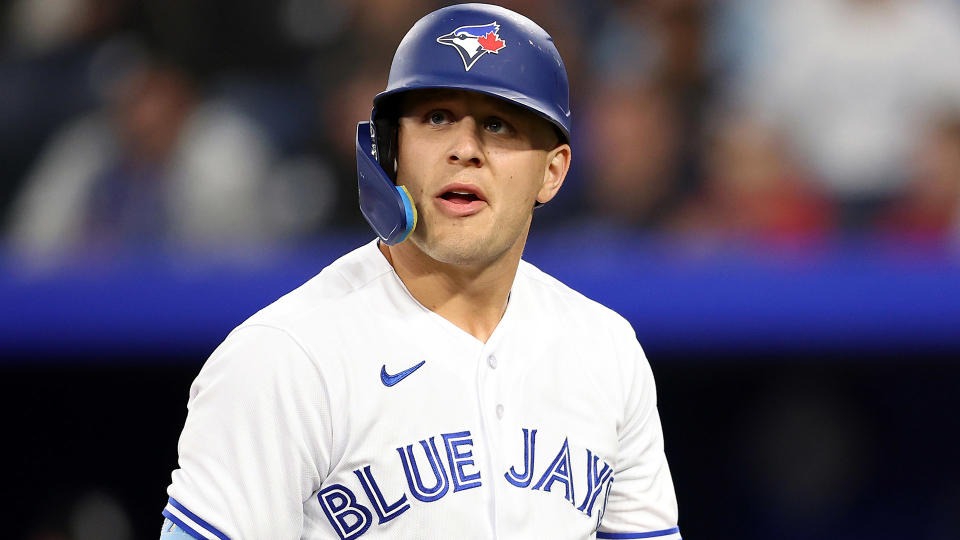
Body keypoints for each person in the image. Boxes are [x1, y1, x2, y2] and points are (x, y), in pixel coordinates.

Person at [159, 4, 680, 539]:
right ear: (391, 153)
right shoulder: (286, 357)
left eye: (498, 125)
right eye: (436, 119)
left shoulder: (606, 351)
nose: (464, 150)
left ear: (552, 171)